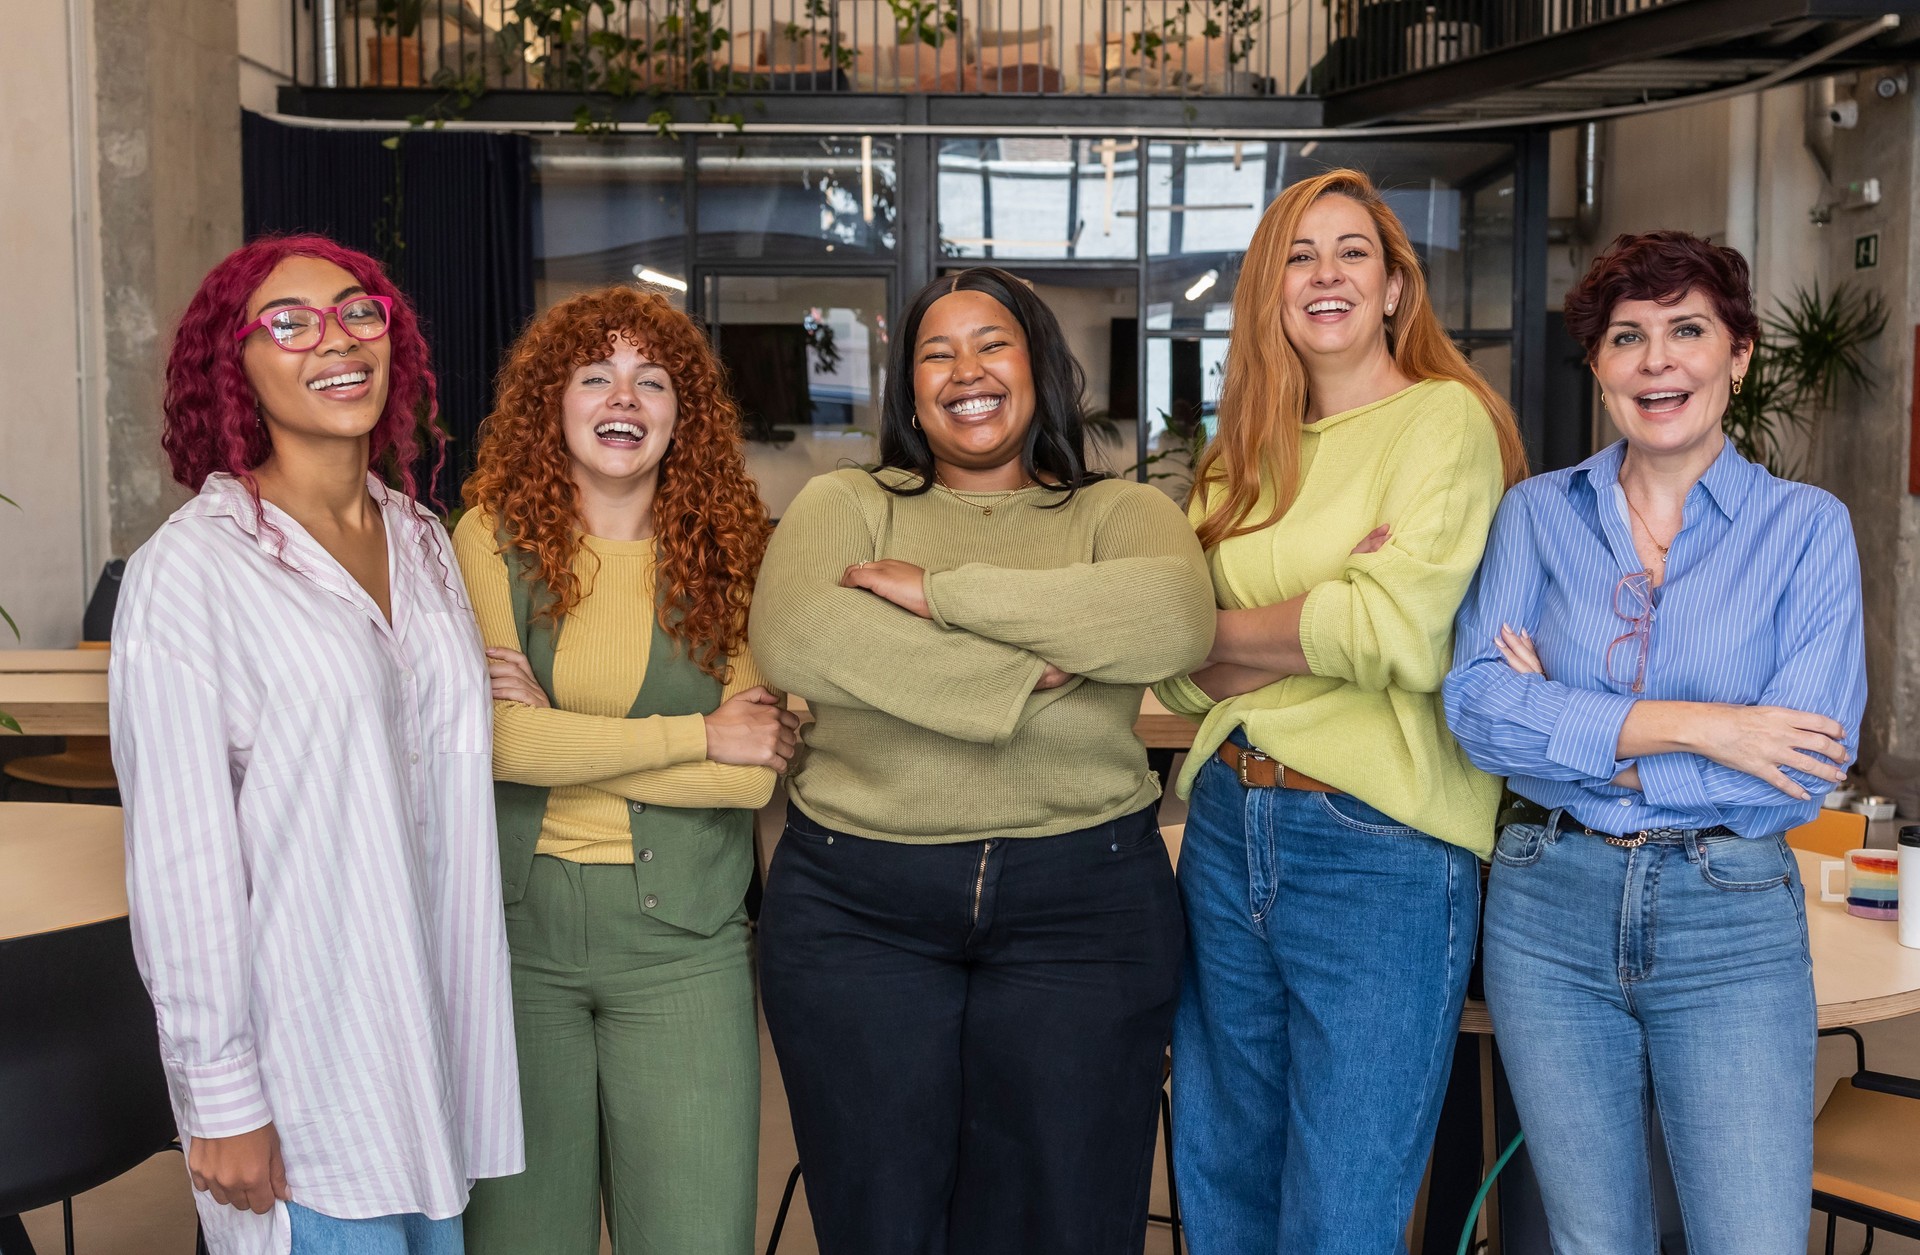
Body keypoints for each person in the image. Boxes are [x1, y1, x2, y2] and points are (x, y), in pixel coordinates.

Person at [748, 266, 1215, 1255]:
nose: (967, 369)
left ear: (1039, 365)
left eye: (991, 342)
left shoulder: (1118, 515)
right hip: (855, 907)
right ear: (910, 392)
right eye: (936, 352)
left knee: (1066, 1215)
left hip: (1083, 907)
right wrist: (1036, 667)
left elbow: (1173, 620)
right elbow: (795, 635)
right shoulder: (845, 502)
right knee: (882, 1217)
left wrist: (937, 593)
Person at [1445, 230, 1866, 1254]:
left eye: (1688, 330)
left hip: (1729, 915)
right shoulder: (1536, 516)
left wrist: (1572, 726)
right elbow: (1478, 710)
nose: (1657, 360)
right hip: (1549, 904)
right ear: (1597, 368)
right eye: (1626, 337)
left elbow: (1794, 773)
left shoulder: (1807, 529)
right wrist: (1711, 727)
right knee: (1592, 1241)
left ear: (1739, 355)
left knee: (1751, 1239)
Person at [110, 234, 522, 1254]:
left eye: (357, 312)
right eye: (287, 324)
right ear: (234, 364)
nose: (335, 341)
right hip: (306, 1078)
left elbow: (410, 743)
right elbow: (182, 862)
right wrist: (220, 1095)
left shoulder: (421, 539)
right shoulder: (195, 571)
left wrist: (480, 680)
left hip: (428, 1053)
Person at [1152, 168, 1529, 1254]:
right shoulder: (1237, 461)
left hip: (1382, 846)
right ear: (1270, 294)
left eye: (1352, 251)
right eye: (1299, 256)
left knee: (1344, 1204)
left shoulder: (1443, 422)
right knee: (1222, 1175)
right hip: (1226, 825)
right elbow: (1168, 668)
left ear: (1395, 288)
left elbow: (1401, 637)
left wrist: (1219, 623)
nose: (1327, 274)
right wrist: (1322, 612)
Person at [454, 285, 793, 1255]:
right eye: (595, 375)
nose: (624, 399)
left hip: (685, 946)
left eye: (652, 380)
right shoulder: (486, 537)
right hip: (516, 947)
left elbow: (750, 776)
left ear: (684, 411)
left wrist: (557, 732)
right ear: (549, 402)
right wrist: (699, 733)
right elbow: (497, 746)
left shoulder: (739, 552)